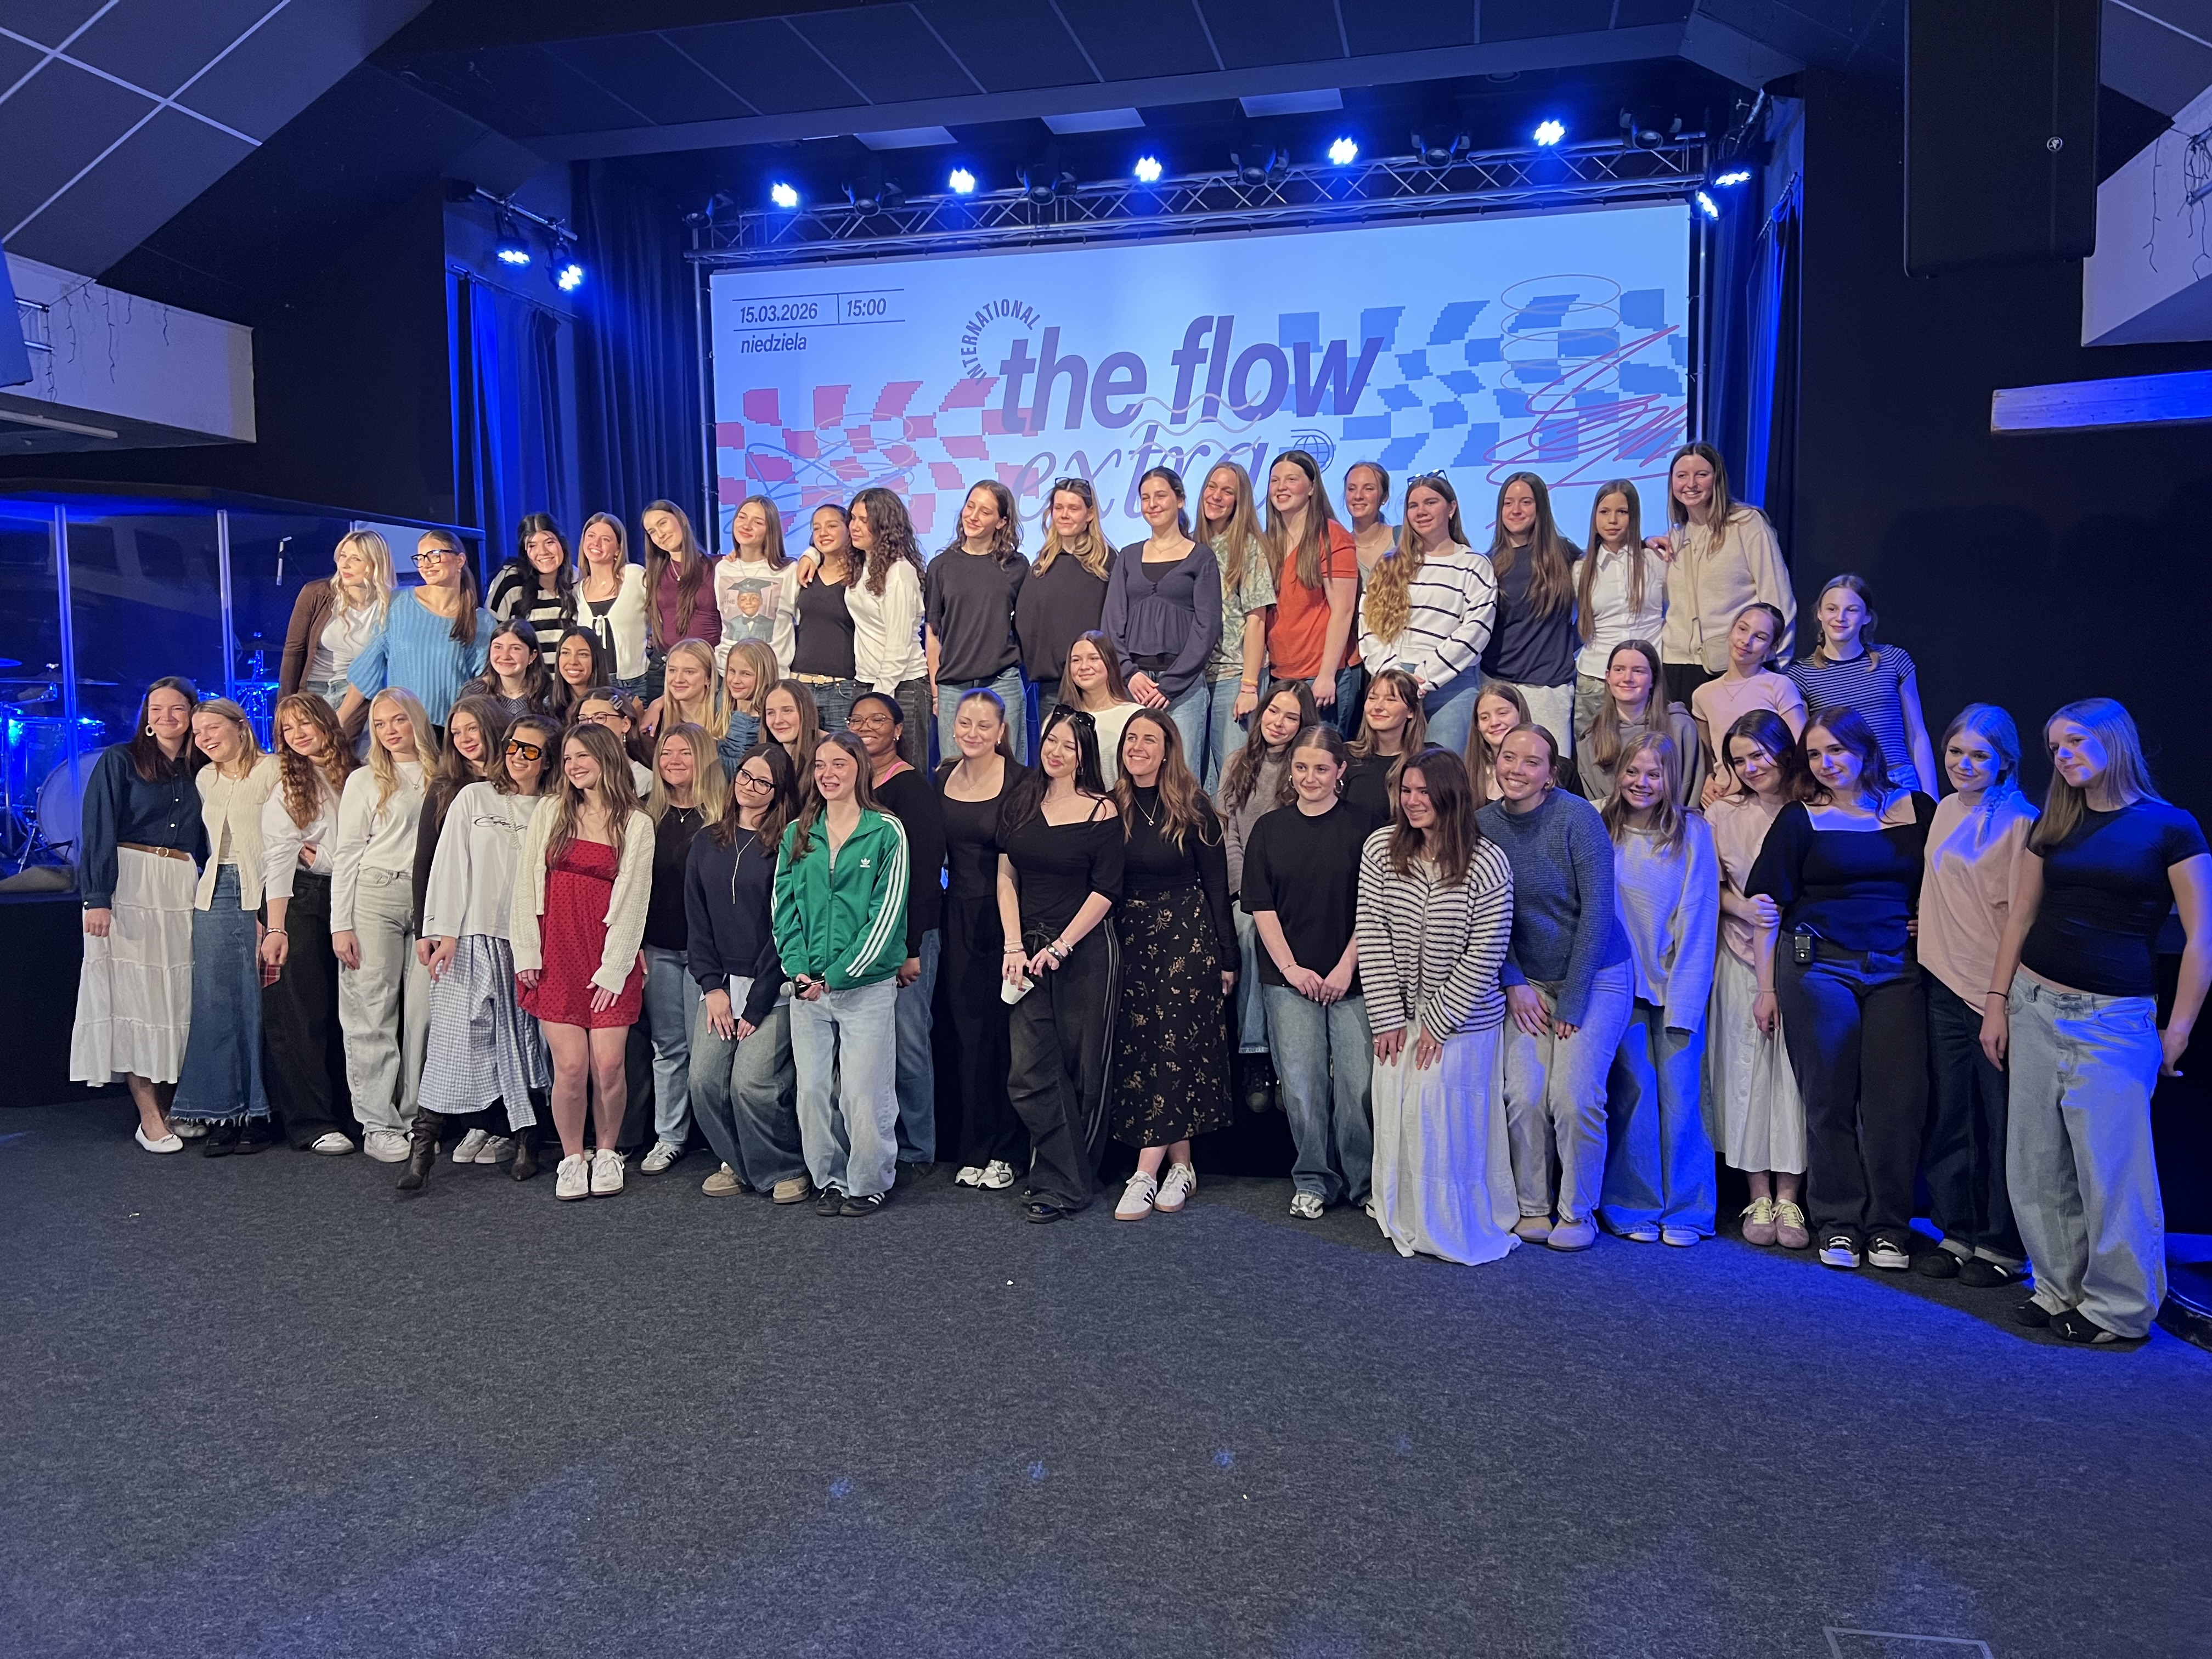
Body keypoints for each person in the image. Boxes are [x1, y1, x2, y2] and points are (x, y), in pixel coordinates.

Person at [1982, 699, 2210, 1345]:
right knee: (2035, 1163)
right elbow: (2020, 917)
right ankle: (2058, 1289)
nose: (2064, 756)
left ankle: (2120, 1309)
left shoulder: (2171, 827)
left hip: (2113, 1021)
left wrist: (2178, 1031)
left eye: (2076, 742)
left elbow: (2202, 938)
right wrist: (1997, 1002)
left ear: (2115, 741)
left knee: (2113, 1173)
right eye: (2055, 747)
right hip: (2033, 1006)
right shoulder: (2054, 823)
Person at [1748, 709, 1937, 1273]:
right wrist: (1765, 987)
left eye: (1836, 750)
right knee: (1828, 1099)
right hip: (1818, 968)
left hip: (1897, 969)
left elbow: (1954, 885)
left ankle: (1889, 1228)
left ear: (1864, 749)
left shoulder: (1915, 809)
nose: (1826, 763)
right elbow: (1767, 907)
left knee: (1895, 1103)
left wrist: (1932, 919)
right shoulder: (1800, 817)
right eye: (1815, 754)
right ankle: (1838, 1223)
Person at [1357, 747, 1520, 1264]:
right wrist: (1387, 1016)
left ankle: (1448, 1217)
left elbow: (1487, 950)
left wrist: (1438, 1022)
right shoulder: (1380, 849)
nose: (1412, 801)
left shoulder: (1487, 861)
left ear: (1450, 796)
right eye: (1406, 791)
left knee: (1435, 1110)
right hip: (1399, 1014)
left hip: (1464, 1022)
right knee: (1396, 1104)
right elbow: (1373, 933)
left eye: (1424, 792)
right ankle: (1401, 1209)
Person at [1479, 723, 1635, 1252]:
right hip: (1527, 983)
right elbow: (1488, 917)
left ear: (1550, 774)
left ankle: (1577, 1211)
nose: (1516, 769)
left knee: (1574, 1097)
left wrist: (1573, 998)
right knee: (1523, 1094)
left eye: (1531, 762)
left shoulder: (1578, 818)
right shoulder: (1481, 825)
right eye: (1508, 757)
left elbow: (1598, 913)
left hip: (1596, 975)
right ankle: (1532, 1206)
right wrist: (1513, 981)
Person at [1916, 704, 2036, 1288]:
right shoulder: (1944, 809)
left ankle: (2003, 1245)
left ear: (2005, 761)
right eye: (1955, 752)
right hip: (1943, 982)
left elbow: (2021, 918)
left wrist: (1997, 999)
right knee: (1951, 1116)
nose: (1964, 764)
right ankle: (1957, 1232)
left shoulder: (2021, 822)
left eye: (1979, 755)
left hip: (1994, 993)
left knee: (2002, 1121)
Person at [414, 713, 558, 1189]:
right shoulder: (474, 797)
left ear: (547, 761)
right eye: (514, 745)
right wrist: (442, 931)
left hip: (527, 941)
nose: (518, 756)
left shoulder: (556, 808)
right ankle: (423, 1143)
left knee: (523, 1041)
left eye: (531, 750)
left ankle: (527, 1139)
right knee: (452, 1037)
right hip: (471, 934)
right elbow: (449, 865)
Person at [512, 722, 653, 1201]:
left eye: (582, 757)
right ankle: (573, 1159)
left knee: (609, 1065)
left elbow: (634, 902)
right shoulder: (551, 811)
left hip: (608, 955)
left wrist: (614, 969)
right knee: (570, 1067)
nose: (573, 766)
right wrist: (527, 950)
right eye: (568, 758)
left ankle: (607, 1153)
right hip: (555, 952)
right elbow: (525, 885)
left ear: (606, 758)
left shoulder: (636, 824)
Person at [1243, 724, 1379, 1220]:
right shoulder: (1269, 829)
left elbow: (1375, 906)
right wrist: (1292, 969)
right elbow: (1262, 908)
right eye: (1301, 767)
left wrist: (1345, 967)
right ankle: (1314, 1180)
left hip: (1352, 977)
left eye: (1321, 768)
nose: (1309, 777)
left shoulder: (1366, 828)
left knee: (1358, 1088)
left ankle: (1364, 1184)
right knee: (1301, 1087)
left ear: (1341, 770)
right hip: (1289, 979)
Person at [773, 731, 911, 1217]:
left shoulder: (887, 831)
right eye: (820, 765)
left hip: (865, 986)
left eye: (839, 764)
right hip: (807, 989)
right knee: (812, 1092)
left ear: (860, 770)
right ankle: (828, 1179)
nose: (828, 774)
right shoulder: (797, 833)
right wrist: (798, 971)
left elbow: (886, 915)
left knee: (861, 1093)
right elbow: (783, 910)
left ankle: (869, 1181)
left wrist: (837, 975)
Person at [1108, 710, 1236, 1220]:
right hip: (1128, 939)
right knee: (1149, 1053)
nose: (1137, 746)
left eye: (1149, 739)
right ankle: (1181, 1166)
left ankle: (1143, 1174)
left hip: (1185, 934)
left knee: (1173, 1046)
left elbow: (1217, 887)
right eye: (1131, 738)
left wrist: (1227, 956)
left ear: (1168, 751)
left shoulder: (1193, 806)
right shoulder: (1110, 805)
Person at [996, 707, 1123, 1222]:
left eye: (1069, 745)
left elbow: (1106, 890)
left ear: (1084, 756)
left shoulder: (1103, 811)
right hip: (1025, 953)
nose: (1057, 751)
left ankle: (1067, 1180)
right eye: (1052, 741)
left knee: (1082, 1069)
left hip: (1085, 952)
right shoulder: (1022, 800)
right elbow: (1006, 876)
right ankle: (1063, 1180)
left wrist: (1062, 946)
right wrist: (1014, 946)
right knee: (1029, 1072)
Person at [1595, 731, 1719, 1245]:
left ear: (1671, 778)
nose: (1641, 782)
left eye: (1654, 774)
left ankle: (1690, 1210)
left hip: (1676, 984)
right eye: (1633, 771)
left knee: (1683, 1096)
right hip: (1618, 987)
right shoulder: (1598, 825)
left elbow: (1699, 914)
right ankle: (1632, 1204)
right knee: (1634, 1094)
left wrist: (1687, 1000)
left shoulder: (1693, 831)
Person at [1703, 712, 1809, 1249]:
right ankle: (1758, 1193)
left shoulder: (1811, 806)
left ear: (1783, 750)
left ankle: (1791, 1197)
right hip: (1739, 954)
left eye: (1758, 755)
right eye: (1739, 760)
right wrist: (1741, 908)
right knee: (1745, 1072)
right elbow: (1709, 886)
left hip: (1800, 956)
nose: (1750, 767)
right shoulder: (1722, 813)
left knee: (1790, 1077)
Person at [687, 740, 808, 1203]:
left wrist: (756, 1003)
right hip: (719, 986)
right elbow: (697, 921)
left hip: (771, 987)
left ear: (779, 792)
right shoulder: (706, 841)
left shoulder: (790, 846)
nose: (750, 786)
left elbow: (786, 928)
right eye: (745, 775)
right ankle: (739, 1164)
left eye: (763, 782)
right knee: (703, 1081)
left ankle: (784, 1167)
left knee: (752, 1084)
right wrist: (712, 988)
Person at [332, 688, 441, 1163]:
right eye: (380, 724)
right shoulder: (364, 779)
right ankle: (378, 1124)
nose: (390, 730)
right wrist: (341, 923)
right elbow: (346, 854)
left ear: (416, 720)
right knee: (372, 1011)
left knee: (424, 1014)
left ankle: (417, 1118)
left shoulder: (444, 774)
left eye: (398, 719)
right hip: (375, 894)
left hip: (431, 899)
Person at [170, 699, 279, 1152]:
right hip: (214, 892)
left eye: (212, 728)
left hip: (265, 890)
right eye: (198, 733)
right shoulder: (205, 779)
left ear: (241, 727)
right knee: (215, 1003)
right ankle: (222, 1112)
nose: (204, 739)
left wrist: (272, 914)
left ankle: (259, 1113)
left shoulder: (273, 770)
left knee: (257, 1002)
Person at [847, 691, 945, 1177]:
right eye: (858, 720)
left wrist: (910, 949)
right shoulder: (847, 784)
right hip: (860, 940)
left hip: (909, 938)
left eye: (878, 720)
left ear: (899, 730)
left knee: (907, 1042)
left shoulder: (911, 790)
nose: (867, 727)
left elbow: (925, 874)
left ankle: (916, 1146)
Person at [259, 693, 357, 1154]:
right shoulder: (287, 787)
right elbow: (281, 859)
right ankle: (311, 1122)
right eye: (287, 728)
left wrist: (328, 859)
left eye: (305, 724)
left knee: (349, 1014)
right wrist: (276, 928)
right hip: (300, 901)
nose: (297, 735)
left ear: (326, 723)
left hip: (353, 897)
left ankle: (352, 1112)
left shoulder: (358, 773)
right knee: (302, 1013)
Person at [1220, 679, 1322, 1107]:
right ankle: (1255, 1054)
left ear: (1304, 724)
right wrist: (1248, 892)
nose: (1278, 723)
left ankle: (1287, 1062)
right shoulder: (1237, 762)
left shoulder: (1306, 770)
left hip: (1292, 893)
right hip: (1247, 890)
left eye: (1291, 717)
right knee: (1250, 932)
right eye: (1273, 712)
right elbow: (1229, 836)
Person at [938, 689, 1023, 1191]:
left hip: (1009, 920)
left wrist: (1017, 939)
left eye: (983, 725)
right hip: (958, 919)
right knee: (969, 1037)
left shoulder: (1021, 782)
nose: (972, 733)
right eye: (965, 723)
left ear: (1001, 731)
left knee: (1007, 1038)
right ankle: (974, 1146)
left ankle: (1009, 1151)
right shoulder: (941, 778)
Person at [1357, 472, 1496, 758]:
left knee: (1441, 773)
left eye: (1431, 503)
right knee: (1392, 772)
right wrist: (1393, 675)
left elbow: (1476, 629)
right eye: (1413, 506)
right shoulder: (1389, 563)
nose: (1421, 512)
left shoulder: (1474, 565)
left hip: (1452, 687)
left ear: (1452, 508)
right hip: (1394, 682)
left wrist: (1424, 678)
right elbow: (1369, 622)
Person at [637, 723, 722, 1175]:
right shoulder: (644, 815)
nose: (673, 761)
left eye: (684, 753)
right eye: (666, 753)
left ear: (703, 758)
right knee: (668, 1047)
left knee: (706, 1053)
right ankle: (669, 1137)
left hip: (707, 955)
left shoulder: (722, 816)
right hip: (659, 949)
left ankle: (721, 1142)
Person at [1654, 443, 1794, 708]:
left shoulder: (1746, 524)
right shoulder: (1674, 537)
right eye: (1682, 476)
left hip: (1733, 664)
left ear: (1717, 479)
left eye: (1701, 475)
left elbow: (1778, 600)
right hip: (1676, 667)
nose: (1691, 484)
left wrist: (1776, 666)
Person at [1102, 466, 1222, 766]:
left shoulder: (1201, 557)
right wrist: (1129, 673)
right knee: (1134, 770)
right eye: (1145, 498)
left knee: (1182, 774)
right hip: (1134, 685)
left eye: (1160, 496)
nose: (1152, 504)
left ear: (1179, 500)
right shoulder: (1128, 556)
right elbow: (1112, 622)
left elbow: (1207, 627)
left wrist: (1171, 684)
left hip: (1184, 688)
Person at [1786, 574, 1938, 794]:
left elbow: (1918, 735)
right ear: (1820, 613)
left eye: (1852, 610)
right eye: (1832, 609)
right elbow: (1807, 747)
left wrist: (1931, 798)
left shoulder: (1894, 660)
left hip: (1898, 779)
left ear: (1866, 616)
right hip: (1843, 786)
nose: (1841, 617)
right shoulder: (1801, 674)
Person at [340, 531, 493, 732]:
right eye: (420, 558)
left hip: (449, 732)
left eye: (435, 555)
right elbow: (369, 665)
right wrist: (340, 718)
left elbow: (483, 684)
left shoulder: (481, 621)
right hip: (400, 729)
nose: (426, 564)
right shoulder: (398, 603)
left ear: (460, 560)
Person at [1478, 473, 1581, 759]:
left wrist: (1646, 543)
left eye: (1526, 502)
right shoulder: (1488, 563)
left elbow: (1610, 562)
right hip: (1497, 687)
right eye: (1508, 503)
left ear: (1541, 507)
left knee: (1551, 772)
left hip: (1549, 691)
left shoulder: (1565, 554)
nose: (1516, 510)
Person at [409, 694, 506, 998]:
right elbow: (425, 860)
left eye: (472, 728)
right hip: (450, 918)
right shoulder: (445, 786)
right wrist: (425, 929)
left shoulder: (520, 781)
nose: (464, 739)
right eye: (456, 732)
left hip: (500, 917)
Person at [927, 480, 1029, 764]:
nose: (973, 516)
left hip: (1002, 679)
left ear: (1002, 522)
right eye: (970, 507)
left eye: (985, 512)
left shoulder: (1016, 566)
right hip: (953, 685)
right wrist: (936, 691)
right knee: (954, 770)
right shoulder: (941, 566)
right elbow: (933, 635)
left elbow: (1026, 625)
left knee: (1009, 768)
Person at [1262, 450, 1360, 730]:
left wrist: (1326, 676)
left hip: (1322, 676)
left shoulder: (1331, 536)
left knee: (1319, 753)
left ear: (1312, 488)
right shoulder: (1268, 541)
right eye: (1275, 480)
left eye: (1291, 480)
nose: (1281, 487)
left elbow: (1343, 610)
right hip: (1280, 675)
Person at [1195, 461, 1275, 790]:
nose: (1216, 496)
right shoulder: (1191, 545)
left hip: (1235, 676)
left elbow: (1257, 620)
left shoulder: (1248, 546)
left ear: (1239, 502)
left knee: (1233, 778)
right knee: (1202, 780)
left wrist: (1249, 686)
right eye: (1212, 487)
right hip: (1195, 680)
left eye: (1227, 491)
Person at [1016, 476, 1114, 738]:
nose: (1064, 515)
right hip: (1053, 686)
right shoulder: (1041, 566)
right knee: (1056, 753)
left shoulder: (1107, 562)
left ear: (1089, 514)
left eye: (1073, 508)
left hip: (1097, 684)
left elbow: (1116, 622)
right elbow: (1026, 622)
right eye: (1058, 508)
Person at [1571, 479, 1666, 738]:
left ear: (1634, 516)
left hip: (1648, 679)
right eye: (1604, 512)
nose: (1612, 520)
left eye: (1622, 512)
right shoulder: (1581, 569)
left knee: (1648, 754)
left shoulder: (1656, 560)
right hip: (1595, 679)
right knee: (1593, 755)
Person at [280, 530, 392, 743]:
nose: (345, 565)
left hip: (359, 694)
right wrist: (285, 705)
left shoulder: (391, 605)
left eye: (356, 559)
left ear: (376, 563)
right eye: (343, 556)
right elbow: (293, 652)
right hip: (313, 690)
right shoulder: (316, 593)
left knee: (345, 750)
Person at [1691, 603, 1805, 805]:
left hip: (1772, 797)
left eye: (1760, 637)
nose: (1746, 641)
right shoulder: (1703, 694)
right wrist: (1708, 781)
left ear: (1771, 648)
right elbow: (1707, 755)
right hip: (1725, 798)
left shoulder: (1779, 686)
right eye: (1742, 629)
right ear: (1731, 630)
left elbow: (1800, 746)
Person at [848, 488, 933, 752]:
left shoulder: (899, 572)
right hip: (867, 682)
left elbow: (898, 645)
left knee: (906, 767)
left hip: (903, 687)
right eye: (853, 518)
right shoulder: (861, 564)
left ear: (884, 525)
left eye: (864, 520)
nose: (854, 526)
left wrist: (878, 700)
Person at [1576, 640, 1701, 809]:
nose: (1627, 678)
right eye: (1619, 670)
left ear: (1653, 679)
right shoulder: (1591, 737)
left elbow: (1691, 790)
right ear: (1608, 677)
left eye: (1638, 671)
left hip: (1672, 822)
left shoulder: (1680, 727)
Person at [786, 503, 864, 733]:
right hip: (801, 685)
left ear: (849, 529)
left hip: (843, 688)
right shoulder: (804, 574)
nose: (823, 533)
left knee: (841, 752)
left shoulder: (862, 576)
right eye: (817, 528)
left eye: (832, 526)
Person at [639, 499, 720, 702]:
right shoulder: (654, 575)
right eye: (652, 531)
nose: (660, 534)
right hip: (666, 668)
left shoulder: (717, 566)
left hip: (711, 669)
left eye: (663, 523)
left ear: (681, 519)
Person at [714, 494, 797, 670]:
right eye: (742, 517)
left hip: (771, 673)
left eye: (758, 522)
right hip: (727, 672)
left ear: (770, 530)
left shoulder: (788, 570)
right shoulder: (723, 568)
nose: (746, 526)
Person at [576, 511, 650, 694]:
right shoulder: (578, 590)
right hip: (595, 684)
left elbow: (662, 611)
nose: (596, 543)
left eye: (606, 539)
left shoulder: (635, 576)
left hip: (636, 683)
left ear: (618, 549)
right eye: (591, 536)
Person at [1057, 630, 1141, 787]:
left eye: (1094, 659)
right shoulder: (1059, 719)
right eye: (1076, 660)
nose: (1084, 667)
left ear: (1110, 663)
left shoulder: (1135, 716)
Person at [487, 514, 575, 662]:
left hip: (570, 675)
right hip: (527, 676)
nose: (543, 552)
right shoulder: (510, 581)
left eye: (549, 542)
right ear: (525, 552)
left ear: (562, 544)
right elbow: (492, 637)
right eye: (532, 546)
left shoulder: (578, 580)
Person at [1344, 667, 1427, 821]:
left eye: (1390, 700)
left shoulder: (1429, 760)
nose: (1378, 707)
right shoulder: (1346, 756)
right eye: (1373, 698)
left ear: (1411, 711)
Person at [642, 639, 725, 744]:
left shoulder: (724, 715)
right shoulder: (658, 719)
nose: (678, 679)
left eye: (689, 672)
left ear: (708, 678)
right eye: (673, 670)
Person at [574, 689, 655, 796]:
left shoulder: (644, 781)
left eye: (600, 717)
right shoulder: (575, 773)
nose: (589, 725)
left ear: (625, 724)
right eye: (583, 719)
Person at [1465, 681, 1531, 808]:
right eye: (1485, 718)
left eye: (1503, 713)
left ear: (1520, 713)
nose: (1494, 723)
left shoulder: (1563, 771)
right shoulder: (1466, 778)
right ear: (1478, 726)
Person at [471, 618, 550, 723]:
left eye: (515, 648)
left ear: (532, 656)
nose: (505, 656)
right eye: (498, 647)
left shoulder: (550, 694)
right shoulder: (473, 693)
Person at [719, 638, 780, 772]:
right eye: (732, 671)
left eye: (745, 674)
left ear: (764, 676)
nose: (735, 680)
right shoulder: (722, 706)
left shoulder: (768, 718)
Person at [760, 680, 821, 791]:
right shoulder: (765, 758)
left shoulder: (825, 757)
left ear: (806, 712)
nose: (778, 721)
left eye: (787, 711)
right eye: (771, 713)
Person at [1342, 459, 1395, 583]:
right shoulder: (1340, 548)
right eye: (1352, 489)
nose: (1358, 496)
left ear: (1385, 497)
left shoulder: (1403, 540)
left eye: (1369, 489)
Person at [550, 625, 609, 723]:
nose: (573, 662)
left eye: (583, 654)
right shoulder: (545, 705)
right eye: (566, 653)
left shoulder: (616, 704)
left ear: (596, 660)